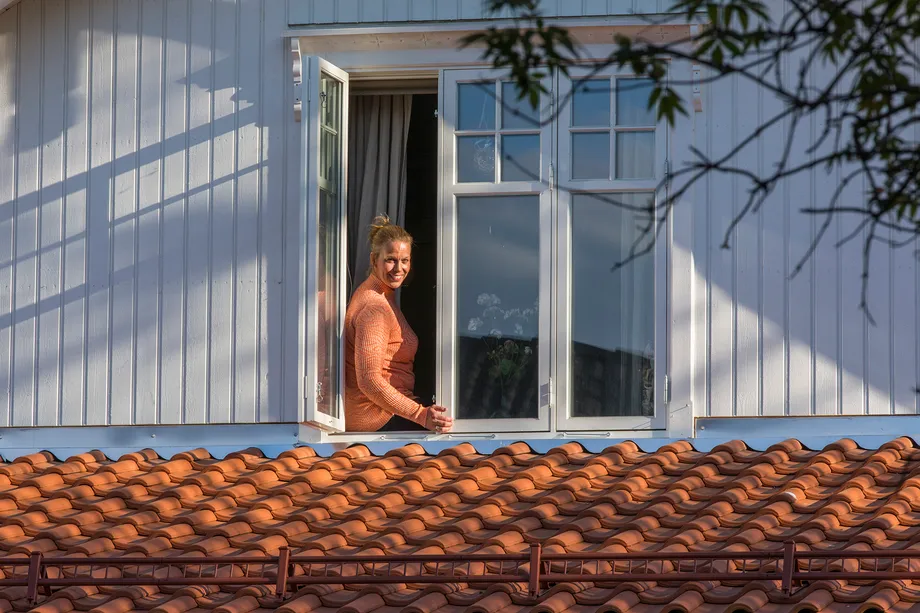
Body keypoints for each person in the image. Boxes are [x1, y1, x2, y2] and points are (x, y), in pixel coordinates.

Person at [344, 215, 453, 433]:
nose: (398, 268)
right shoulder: (374, 307)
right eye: (391, 260)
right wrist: (420, 415)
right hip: (379, 418)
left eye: (405, 260)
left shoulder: (383, 297)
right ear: (374, 260)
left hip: (390, 413)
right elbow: (369, 380)